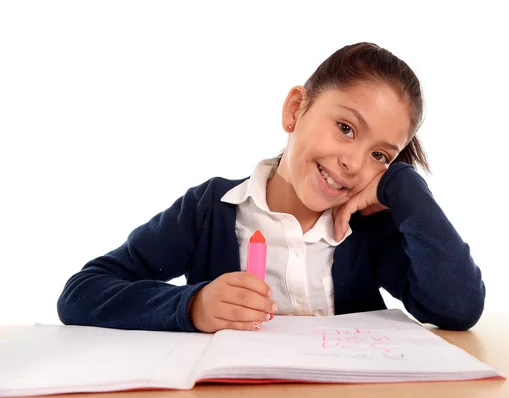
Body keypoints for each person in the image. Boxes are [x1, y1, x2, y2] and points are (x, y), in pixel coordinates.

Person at [57, 42, 485, 333]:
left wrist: (404, 188)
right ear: (295, 109)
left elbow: (458, 308)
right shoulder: (210, 210)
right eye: (346, 128)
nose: (354, 163)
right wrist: (192, 306)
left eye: (381, 156)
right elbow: (82, 294)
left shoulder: (372, 228)